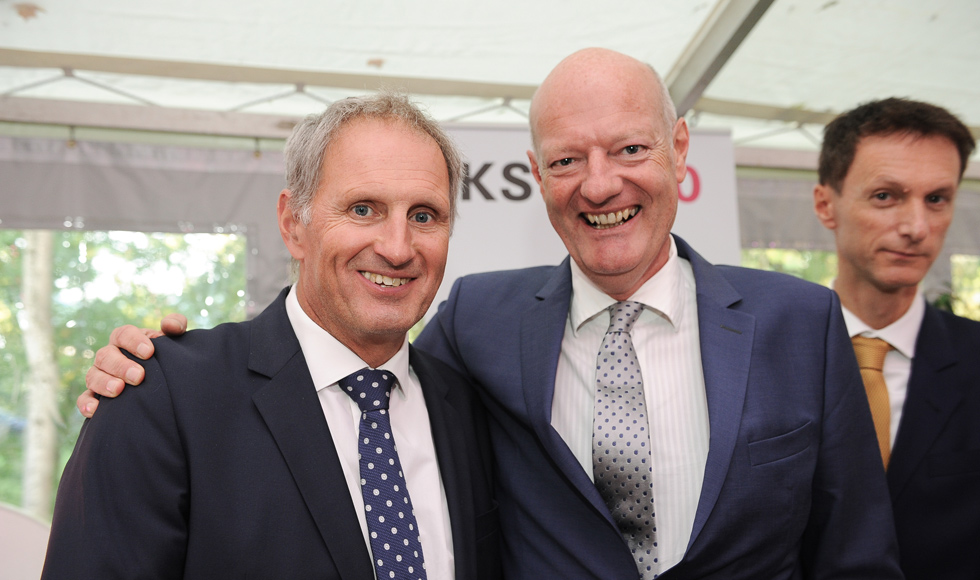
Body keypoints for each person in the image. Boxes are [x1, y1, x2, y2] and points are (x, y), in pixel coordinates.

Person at [80, 48, 902, 579]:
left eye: (425, 216)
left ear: (679, 150)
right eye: (363, 209)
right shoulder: (479, 327)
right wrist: (135, 370)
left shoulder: (801, 323)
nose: (601, 183)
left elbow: (857, 555)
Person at [43, 93, 500, 580]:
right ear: (293, 224)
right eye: (363, 209)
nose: (397, 247)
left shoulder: (469, 411)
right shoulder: (160, 394)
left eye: (424, 216)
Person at [813, 97, 979, 580]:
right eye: (886, 196)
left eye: (937, 199)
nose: (916, 228)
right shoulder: (763, 360)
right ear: (826, 205)